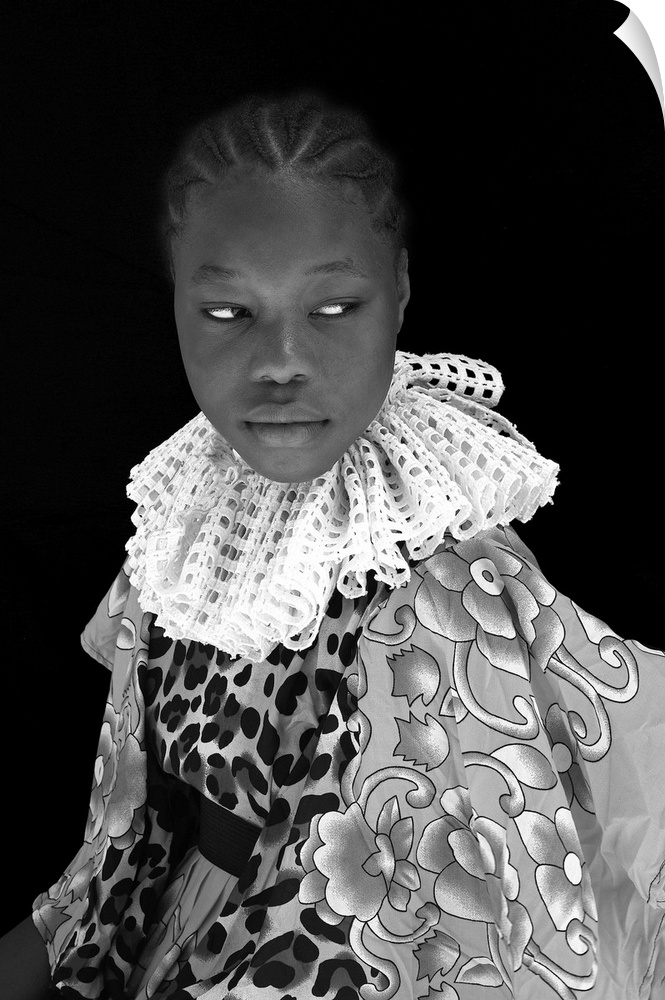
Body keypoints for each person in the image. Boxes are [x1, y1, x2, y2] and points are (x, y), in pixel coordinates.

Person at [4, 89, 663, 999]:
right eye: (226, 312)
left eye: (335, 306)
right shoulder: (185, 526)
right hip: (173, 934)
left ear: (399, 295)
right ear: (177, 306)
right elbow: (126, 836)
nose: (280, 360)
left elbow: (373, 943)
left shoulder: (443, 602)